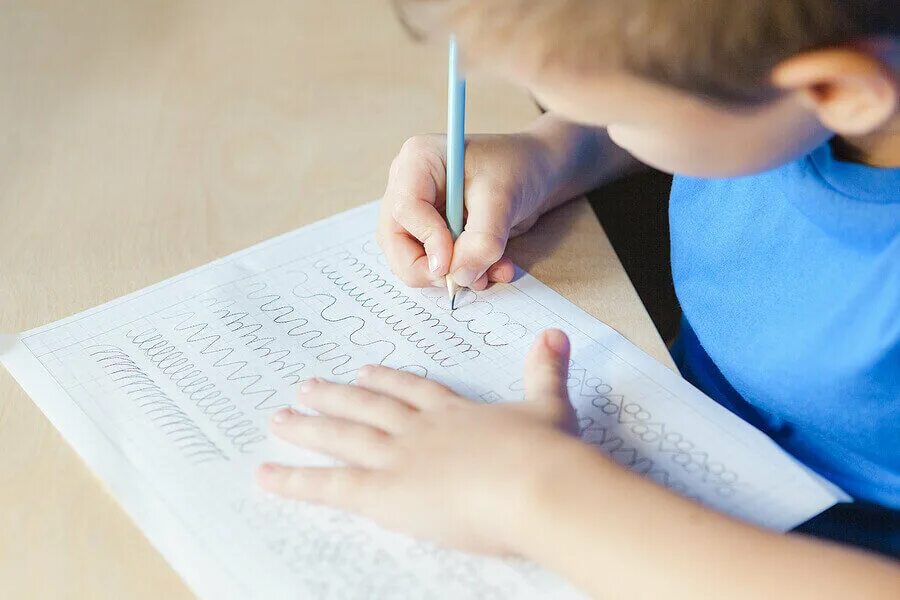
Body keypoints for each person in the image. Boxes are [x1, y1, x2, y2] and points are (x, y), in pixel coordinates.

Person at [257, 1, 900, 596]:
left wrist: (531, 493)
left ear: (835, 90)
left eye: (619, 115)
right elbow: (712, 99)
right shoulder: (797, 72)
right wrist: (554, 152)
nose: (600, 124)